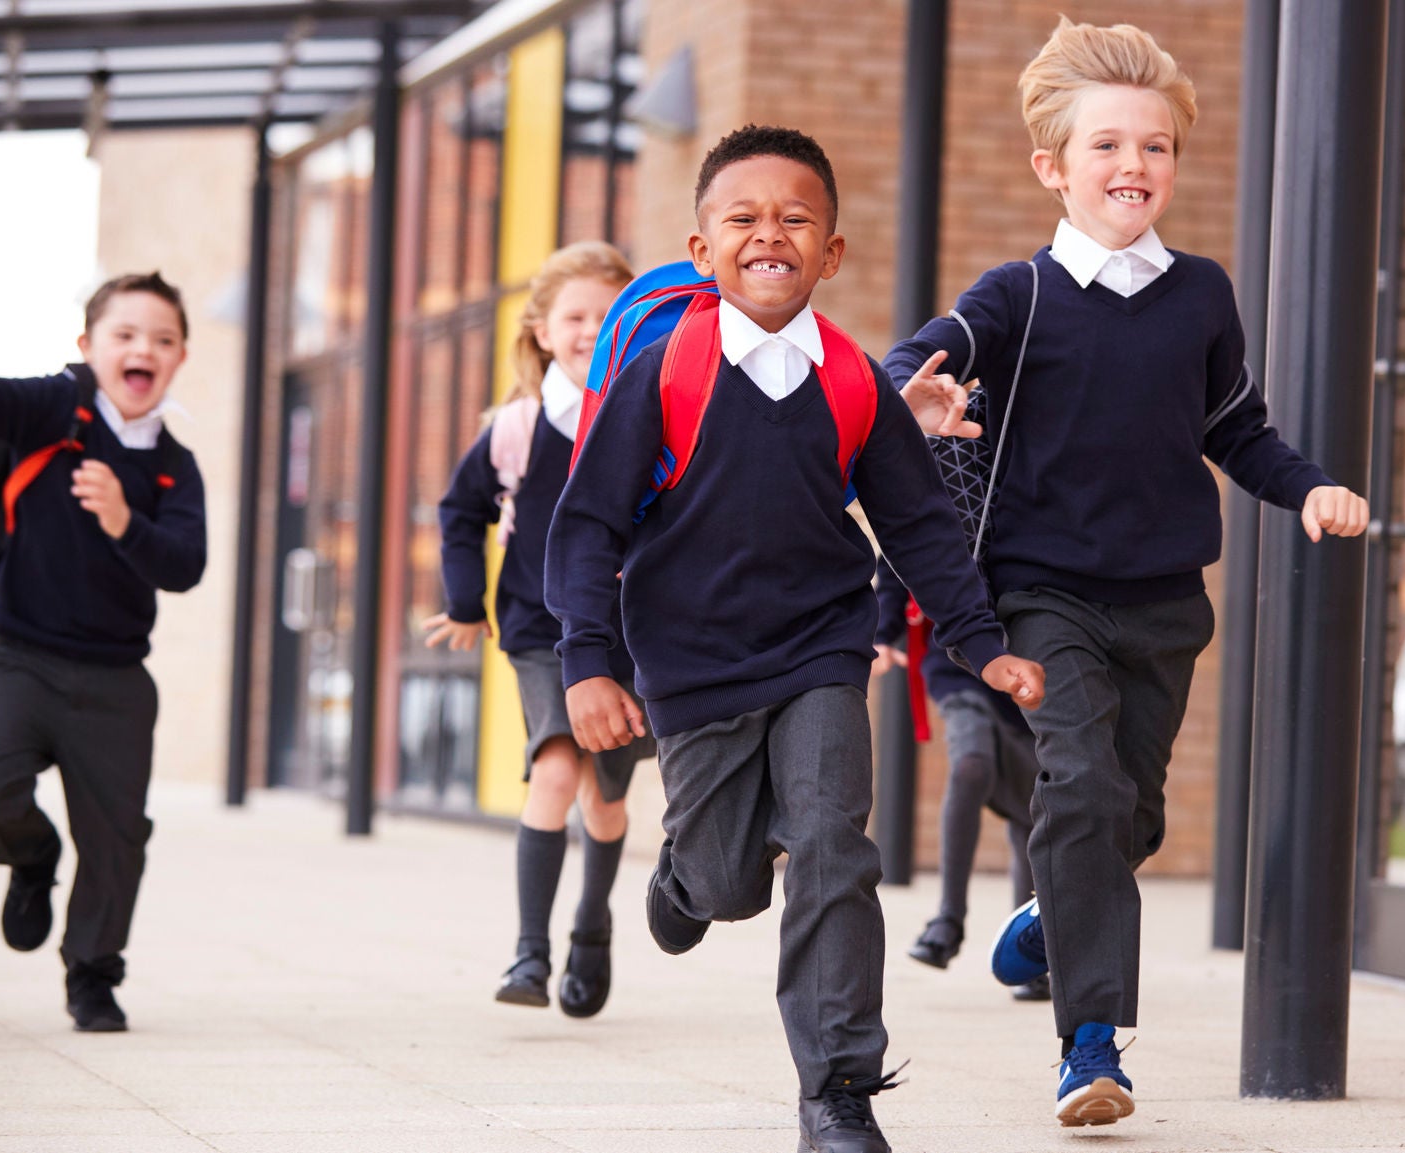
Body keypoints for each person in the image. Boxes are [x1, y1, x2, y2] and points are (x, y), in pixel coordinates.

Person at [887, 19, 1370, 1128]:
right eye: (1105, 146)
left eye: (1153, 147)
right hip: (1041, 594)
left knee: (1130, 817)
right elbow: (917, 356)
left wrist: (1304, 489)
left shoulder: (1200, 293)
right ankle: (1090, 1046)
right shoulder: (1017, 296)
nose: (1132, 167)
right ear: (1053, 167)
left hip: (1161, 601)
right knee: (1086, 792)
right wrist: (914, 389)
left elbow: (1237, 429)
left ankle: (1049, 922)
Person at [546, 125, 1046, 1153]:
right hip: (690, 662)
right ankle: (685, 873)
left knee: (831, 846)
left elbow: (915, 525)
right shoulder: (663, 366)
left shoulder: (852, 381)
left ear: (831, 251)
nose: (768, 233)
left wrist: (978, 641)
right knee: (731, 882)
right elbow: (587, 522)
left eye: (794, 218)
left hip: (823, 645)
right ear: (701, 249)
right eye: (742, 217)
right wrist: (587, 662)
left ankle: (837, 1090)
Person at [0, 272, 207, 1033]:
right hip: (22, 657)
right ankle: (33, 860)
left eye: (162, 340)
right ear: (87, 347)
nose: (143, 350)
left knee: (117, 837)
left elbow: (185, 566)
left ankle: (93, 974)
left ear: (181, 357)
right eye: (124, 335)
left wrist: (125, 520)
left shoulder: (174, 465)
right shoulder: (54, 410)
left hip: (117, 678)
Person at [426, 241, 646, 1018]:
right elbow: (460, 513)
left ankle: (592, 925)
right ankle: (530, 950)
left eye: (608, 314)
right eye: (575, 316)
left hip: (631, 633)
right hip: (538, 626)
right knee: (556, 764)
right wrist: (463, 601)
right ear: (543, 330)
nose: (592, 329)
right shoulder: (517, 428)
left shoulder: (651, 409)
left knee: (606, 798)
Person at [871, 560, 1045, 1002]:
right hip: (955, 653)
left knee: (1032, 800)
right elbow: (900, 552)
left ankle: (1028, 948)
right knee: (971, 764)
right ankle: (948, 921)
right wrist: (883, 630)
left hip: (1032, 654)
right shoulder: (945, 488)